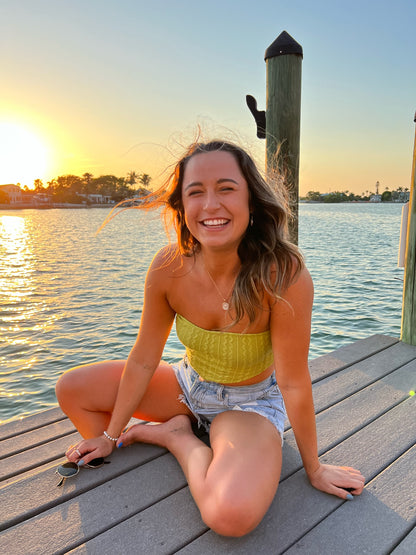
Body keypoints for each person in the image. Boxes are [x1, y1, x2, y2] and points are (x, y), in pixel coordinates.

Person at [55, 140, 364, 537]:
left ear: (252, 199)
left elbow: (292, 381)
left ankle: (178, 438)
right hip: (188, 386)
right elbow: (145, 360)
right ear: (182, 207)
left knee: (229, 518)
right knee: (71, 389)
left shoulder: (283, 274)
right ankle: (181, 425)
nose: (210, 205)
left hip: (249, 405)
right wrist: (111, 437)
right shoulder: (168, 267)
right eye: (195, 192)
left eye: (226, 188)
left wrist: (314, 467)